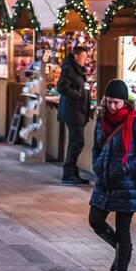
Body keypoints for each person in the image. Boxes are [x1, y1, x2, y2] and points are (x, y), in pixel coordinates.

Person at [88, 79, 136, 271]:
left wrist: (127, 167)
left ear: (125, 102)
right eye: (109, 102)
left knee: (123, 228)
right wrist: (97, 166)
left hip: (128, 183)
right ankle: (120, 248)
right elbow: (96, 147)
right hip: (105, 180)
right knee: (95, 220)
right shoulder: (102, 119)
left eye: (116, 102)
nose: (112, 107)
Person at [57, 45, 91, 185]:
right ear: (76, 56)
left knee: (75, 142)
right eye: (84, 56)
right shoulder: (69, 69)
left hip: (77, 111)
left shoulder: (77, 70)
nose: (85, 59)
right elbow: (62, 87)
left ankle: (72, 170)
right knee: (77, 142)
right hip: (73, 111)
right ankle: (68, 173)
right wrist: (78, 96)